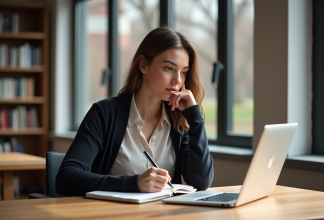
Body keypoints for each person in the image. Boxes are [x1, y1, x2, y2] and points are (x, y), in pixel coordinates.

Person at [56, 26, 214, 196]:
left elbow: (201, 181)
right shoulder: (104, 113)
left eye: (183, 72)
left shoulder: (178, 122)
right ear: (143, 65)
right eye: (169, 68)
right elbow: (66, 178)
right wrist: (134, 183)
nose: (177, 80)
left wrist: (195, 118)